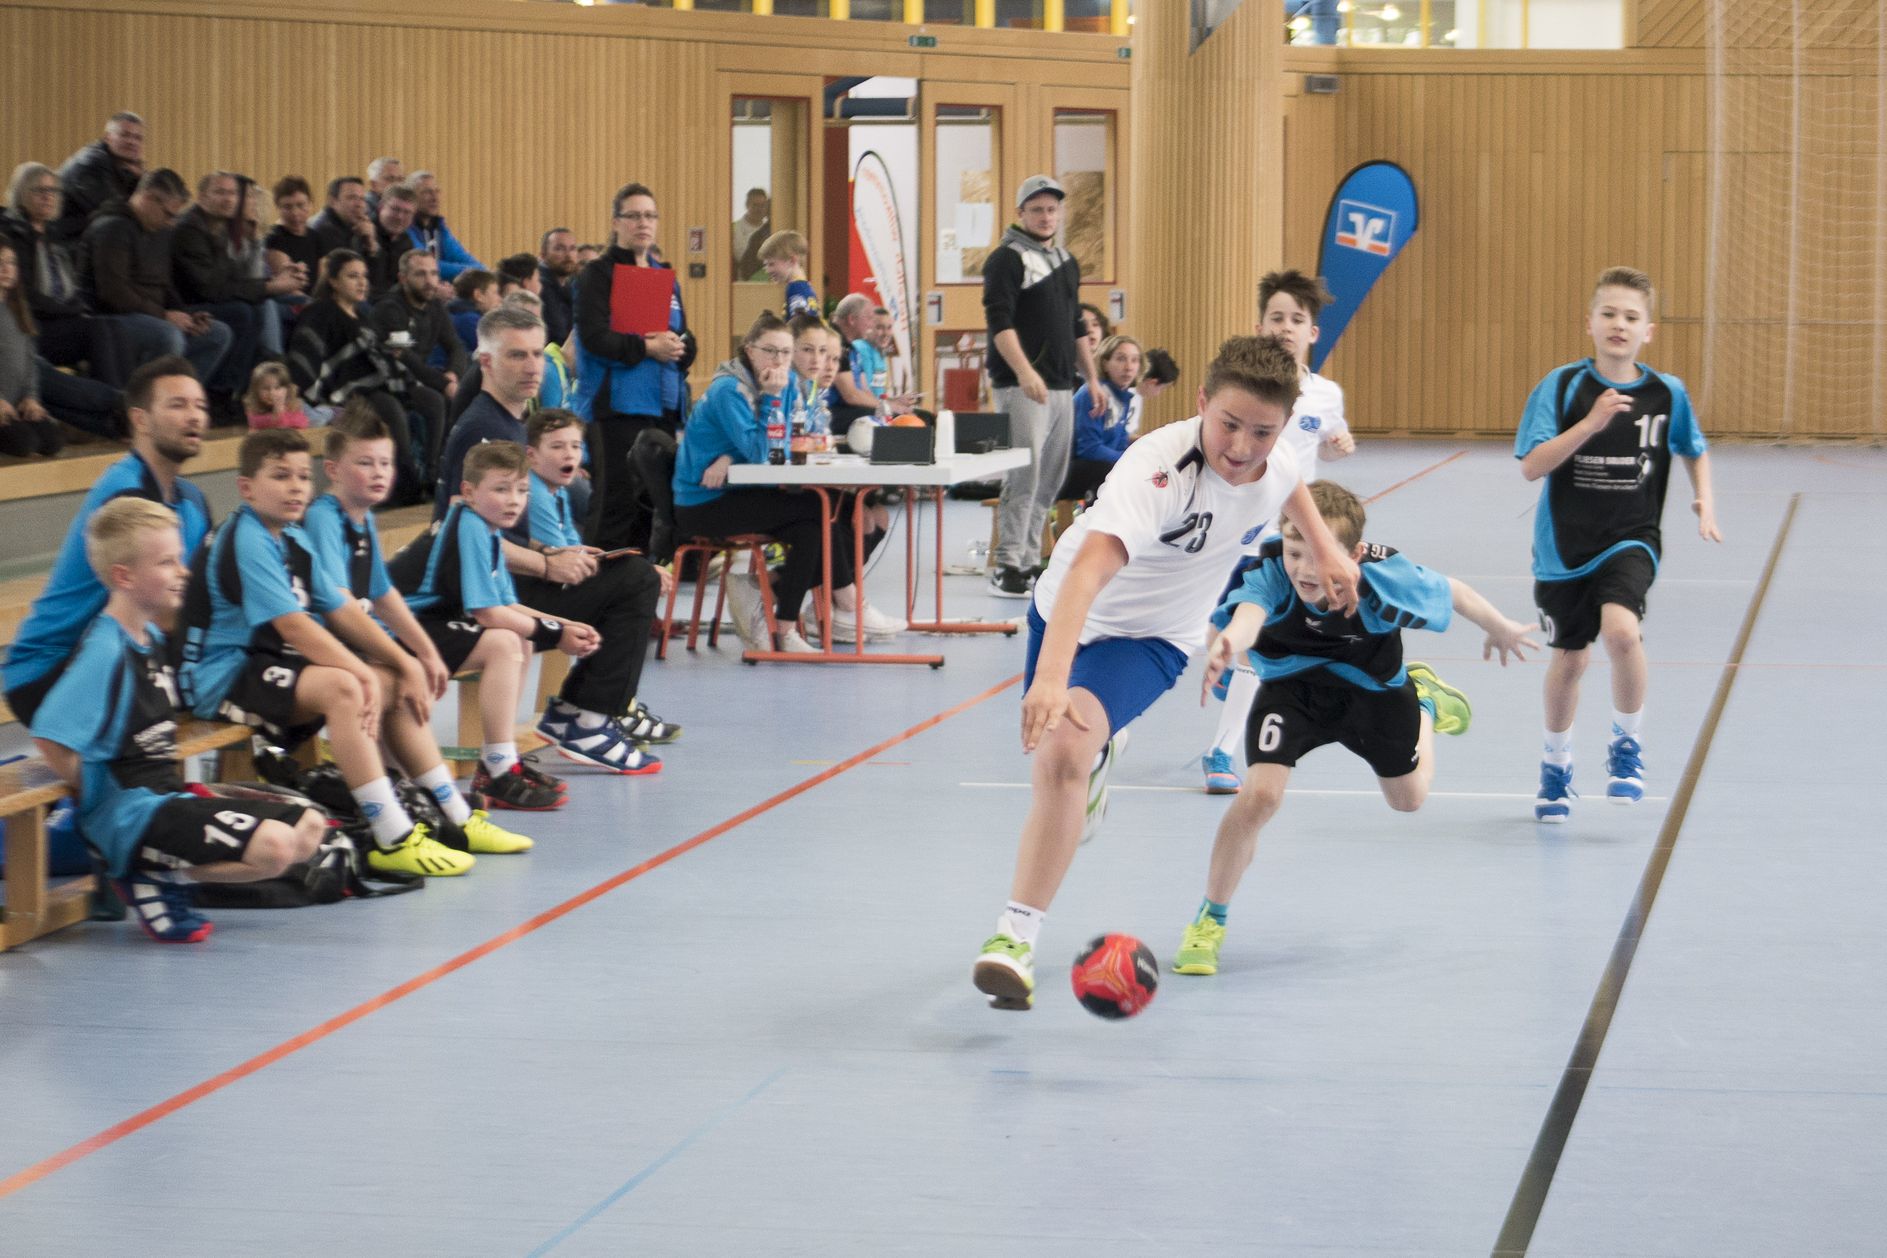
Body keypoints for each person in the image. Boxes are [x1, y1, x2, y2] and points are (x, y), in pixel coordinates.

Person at [969, 334, 1362, 1012]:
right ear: (1201, 403)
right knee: (1061, 750)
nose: (1241, 446)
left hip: (1150, 638)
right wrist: (1051, 677)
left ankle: (1014, 939)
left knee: (1061, 756)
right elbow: (1087, 573)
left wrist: (1325, 548)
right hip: (1066, 611)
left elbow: (1289, 482)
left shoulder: (1273, 462)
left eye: (1262, 432)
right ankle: (1099, 754)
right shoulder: (1157, 469)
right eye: (1229, 424)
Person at [1172, 480, 1539, 976]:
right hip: (1293, 688)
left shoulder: (1383, 576)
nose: (1304, 569)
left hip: (1373, 692)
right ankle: (1209, 921)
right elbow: (1249, 616)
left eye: (1317, 556)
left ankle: (1426, 702)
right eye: (1295, 552)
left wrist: (1499, 627)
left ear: (1354, 554)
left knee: (1408, 800)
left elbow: (1454, 592)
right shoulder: (1273, 570)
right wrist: (1227, 644)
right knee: (1259, 796)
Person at [178, 428, 474, 876]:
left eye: (302, 476)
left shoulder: (293, 539)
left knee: (393, 680)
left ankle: (454, 813)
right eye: (280, 476)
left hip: (262, 665)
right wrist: (360, 671)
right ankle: (391, 835)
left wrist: (408, 660)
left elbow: (341, 609)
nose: (296, 487)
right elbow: (294, 626)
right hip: (218, 677)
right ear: (246, 488)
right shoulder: (247, 537)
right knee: (345, 686)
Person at [32, 497, 329, 942]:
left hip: (166, 795)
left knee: (308, 827)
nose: (183, 571)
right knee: (275, 846)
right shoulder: (105, 650)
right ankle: (146, 871)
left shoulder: (150, 636)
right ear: (125, 576)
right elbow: (49, 736)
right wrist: (97, 799)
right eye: (167, 562)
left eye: (179, 559)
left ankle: (163, 872)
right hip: (132, 813)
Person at [1519, 265, 1721, 822]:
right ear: (1589, 322)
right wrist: (1589, 424)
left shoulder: (1665, 392)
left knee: (1622, 632)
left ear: (1647, 331)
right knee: (1570, 661)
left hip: (1632, 539)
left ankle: (1626, 745)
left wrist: (1705, 498)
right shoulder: (1562, 386)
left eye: (1631, 316)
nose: (1619, 324)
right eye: (1608, 313)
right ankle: (1556, 763)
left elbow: (1694, 447)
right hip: (1564, 550)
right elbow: (1532, 467)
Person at [301, 405, 533, 854]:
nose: (378, 473)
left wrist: (423, 652)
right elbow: (338, 607)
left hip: (345, 646)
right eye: (365, 463)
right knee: (389, 685)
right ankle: (403, 818)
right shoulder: (323, 518)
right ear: (332, 470)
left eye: (385, 463)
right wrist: (403, 659)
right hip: (314, 651)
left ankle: (442, 810)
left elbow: (383, 594)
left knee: (403, 681)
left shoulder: (363, 518)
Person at [1200, 269, 1357, 794]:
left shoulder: (1325, 394)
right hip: (1230, 530)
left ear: (1313, 332)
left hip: (1284, 539)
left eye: (1296, 319)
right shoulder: (1242, 391)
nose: (1285, 327)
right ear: (1259, 327)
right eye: (1276, 317)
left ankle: (1222, 751)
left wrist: (1338, 445)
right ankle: (1227, 670)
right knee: (1212, 633)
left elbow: (1328, 442)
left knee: (1257, 643)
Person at [672, 310, 905, 654]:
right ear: (749, 350)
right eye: (770, 351)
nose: (778, 360)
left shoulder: (782, 384)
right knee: (817, 509)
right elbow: (762, 451)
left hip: (741, 489)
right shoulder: (730, 390)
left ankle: (783, 624)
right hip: (704, 503)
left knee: (813, 526)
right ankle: (848, 602)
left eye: (784, 352)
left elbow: (783, 444)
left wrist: (731, 457)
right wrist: (770, 400)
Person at [2, 357, 213, 724]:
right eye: (178, 405)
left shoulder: (193, 502)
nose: (194, 416)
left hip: (122, 659)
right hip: (49, 672)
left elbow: (194, 598)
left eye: (200, 406)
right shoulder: (125, 493)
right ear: (140, 420)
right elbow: (162, 614)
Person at [404, 440, 601, 809]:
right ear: (469, 492)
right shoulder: (469, 526)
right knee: (505, 642)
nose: (514, 501)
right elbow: (487, 614)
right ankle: (498, 770)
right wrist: (557, 634)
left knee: (520, 639)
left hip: (432, 624)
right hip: (400, 630)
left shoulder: (488, 530)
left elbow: (507, 605)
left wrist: (567, 624)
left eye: (522, 490)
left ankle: (499, 760)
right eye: (501, 489)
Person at [518, 408, 672, 770]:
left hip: (528, 591)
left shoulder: (554, 491)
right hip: (516, 604)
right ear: (532, 455)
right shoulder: (535, 494)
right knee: (636, 582)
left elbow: (573, 556)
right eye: (557, 446)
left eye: (575, 446)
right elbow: (563, 568)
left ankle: (573, 710)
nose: (569, 454)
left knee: (634, 576)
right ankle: (592, 720)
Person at [982, 175, 1101, 599]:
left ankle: (1032, 558)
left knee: (1050, 477)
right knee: (1024, 475)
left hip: (1062, 383)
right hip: (1022, 385)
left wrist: (1092, 378)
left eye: (1052, 209)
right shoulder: (1007, 258)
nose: (1046, 216)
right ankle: (1008, 563)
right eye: (1036, 209)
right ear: (1021, 213)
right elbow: (999, 321)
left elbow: (1076, 324)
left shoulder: (1066, 261)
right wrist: (1023, 372)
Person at [572, 182, 696, 551]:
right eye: (634, 216)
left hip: (663, 404)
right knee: (617, 502)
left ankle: (641, 578)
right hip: (617, 405)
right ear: (616, 223)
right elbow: (593, 338)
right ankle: (598, 577)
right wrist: (647, 347)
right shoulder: (598, 274)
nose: (643, 223)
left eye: (650, 216)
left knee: (652, 505)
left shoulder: (664, 274)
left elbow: (683, 334)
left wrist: (681, 347)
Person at [286, 249, 442, 503]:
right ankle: (406, 488)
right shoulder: (320, 312)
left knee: (433, 401)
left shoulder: (362, 314)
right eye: (353, 276)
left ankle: (433, 475)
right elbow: (307, 352)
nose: (361, 282)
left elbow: (376, 352)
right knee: (390, 408)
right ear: (334, 281)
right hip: (346, 389)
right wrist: (298, 388)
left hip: (380, 382)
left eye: (364, 276)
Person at [78, 168, 233, 398]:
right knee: (167, 335)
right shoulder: (111, 228)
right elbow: (113, 293)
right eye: (169, 214)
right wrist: (164, 316)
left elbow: (165, 284)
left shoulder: (159, 231)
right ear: (148, 198)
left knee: (217, 334)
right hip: (109, 319)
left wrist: (186, 316)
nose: (171, 223)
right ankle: (144, 404)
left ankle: (179, 400)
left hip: (150, 314)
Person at [2, 161, 130, 387]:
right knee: (97, 330)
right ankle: (114, 399)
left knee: (114, 327)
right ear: (22, 193)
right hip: (33, 324)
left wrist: (75, 307)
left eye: (53, 191)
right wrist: (69, 310)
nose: (48, 197)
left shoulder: (55, 235)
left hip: (63, 318)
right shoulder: (13, 235)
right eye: (40, 190)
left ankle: (122, 396)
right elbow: (25, 294)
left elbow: (72, 283)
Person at [0, 240, 121, 449]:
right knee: (25, 444)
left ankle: (118, 416)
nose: (6, 269)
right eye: (0, 263)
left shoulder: (19, 309)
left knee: (52, 443)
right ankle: (119, 403)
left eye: (11, 262)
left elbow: (30, 360)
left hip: (18, 401)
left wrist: (31, 397)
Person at [171, 170, 302, 362]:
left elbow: (236, 280)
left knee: (302, 303)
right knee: (248, 310)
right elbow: (210, 288)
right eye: (220, 192)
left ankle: (267, 369)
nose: (228, 199)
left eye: (232, 193)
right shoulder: (190, 229)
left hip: (214, 296)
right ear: (202, 197)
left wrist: (274, 281)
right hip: (189, 303)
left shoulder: (219, 226)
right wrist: (270, 286)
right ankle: (268, 366)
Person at [435, 305, 547, 515]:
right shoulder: (483, 429)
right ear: (487, 362)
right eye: (517, 356)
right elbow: (464, 523)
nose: (533, 368)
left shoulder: (506, 422)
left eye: (538, 354)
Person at [371, 250, 465, 404]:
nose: (429, 281)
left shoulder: (435, 305)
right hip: (389, 382)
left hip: (418, 377)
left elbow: (455, 345)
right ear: (403, 278)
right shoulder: (389, 309)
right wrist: (444, 384)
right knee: (435, 401)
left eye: (434, 274)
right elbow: (405, 356)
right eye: (421, 274)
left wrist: (453, 374)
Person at [1062, 333, 1143, 503]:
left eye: (1135, 360)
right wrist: (1129, 460)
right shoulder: (1092, 394)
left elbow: (1120, 443)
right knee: (1115, 470)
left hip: (1094, 466)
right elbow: (1089, 449)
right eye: (1121, 359)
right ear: (1105, 363)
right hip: (1065, 468)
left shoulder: (1123, 397)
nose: (1128, 367)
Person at [54, 112, 145, 244]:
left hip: (87, 240)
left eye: (138, 138)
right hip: (66, 244)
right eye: (124, 135)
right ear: (107, 137)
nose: (132, 142)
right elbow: (111, 209)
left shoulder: (125, 167)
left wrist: (140, 179)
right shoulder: (90, 163)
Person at [403, 171, 484, 282]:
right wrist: (473, 272)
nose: (435, 198)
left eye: (437, 191)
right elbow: (427, 266)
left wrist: (481, 271)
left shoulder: (439, 227)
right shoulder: (405, 228)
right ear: (411, 198)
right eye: (427, 192)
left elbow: (462, 257)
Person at [264, 177, 323, 289]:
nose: (295, 213)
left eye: (301, 205)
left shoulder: (316, 237)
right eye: (287, 207)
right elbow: (289, 286)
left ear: (310, 204)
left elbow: (322, 282)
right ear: (278, 208)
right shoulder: (274, 237)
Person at [308, 176, 378, 262]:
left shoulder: (355, 225)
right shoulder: (324, 230)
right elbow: (349, 268)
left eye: (362, 199)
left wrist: (371, 244)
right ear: (332, 201)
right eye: (352, 197)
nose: (359, 204)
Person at [366, 184, 419, 297]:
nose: (400, 217)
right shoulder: (364, 235)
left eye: (407, 212)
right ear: (381, 207)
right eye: (395, 209)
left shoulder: (406, 242)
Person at [758, 230, 818, 317]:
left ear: (792, 260)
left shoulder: (796, 289)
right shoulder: (805, 287)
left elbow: (798, 323)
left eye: (771, 264)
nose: (767, 270)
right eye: (765, 265)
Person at [536, 227, 579, 347]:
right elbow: (559, 335)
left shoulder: (569, 286)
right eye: (559, 249)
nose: (568, 255)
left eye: (572, 248)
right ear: (543, 255)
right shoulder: (541, 287)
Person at [244, 360, 312, 430]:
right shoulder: (254, 408)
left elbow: (302, 424)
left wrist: (281, 411)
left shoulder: (293, 405)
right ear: (256, 390)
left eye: (277, 388)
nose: (272, 393)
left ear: (287, 389)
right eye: (266, 388)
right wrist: (278, 412)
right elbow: (258, 424)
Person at [449, 268, 498, 352]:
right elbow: (493, 350)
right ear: (478, 295)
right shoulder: (469, 320)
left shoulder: (457, 313)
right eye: (495, 293)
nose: (499, 298)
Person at [732, 187, 769, 276]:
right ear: (747, 205)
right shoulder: (733, 228)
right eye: (755, 205)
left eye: (762, 205)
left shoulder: (770, 230)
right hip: (743, 280)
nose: (759, 209)